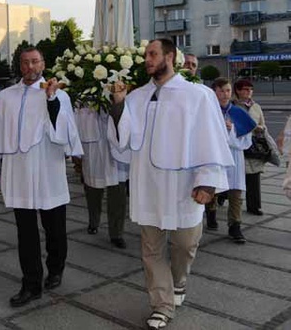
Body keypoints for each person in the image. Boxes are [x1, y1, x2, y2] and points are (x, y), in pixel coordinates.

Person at [108, 39, 232, 329]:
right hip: (148, 186)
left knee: (185, 245)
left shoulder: (197, 95)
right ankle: (161, 306)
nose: (147, 59)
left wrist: (208, 183)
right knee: (151, 250)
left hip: (184, 186)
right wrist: (118, 106)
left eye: (153, 54)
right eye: (145, 55)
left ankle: (179, 282)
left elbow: (212, 138)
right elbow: (122, 141)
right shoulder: (137, 97)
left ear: (170, 57)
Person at [0, 48, 83, 307]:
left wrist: (51, 100)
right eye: (25, 62)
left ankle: (56, 268)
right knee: (25, 233)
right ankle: (31, 283)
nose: (29, 67)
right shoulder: (7, 97)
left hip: (47, 171)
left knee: (55, 230)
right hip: (18, 172)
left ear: (43, 63)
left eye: (34, 61)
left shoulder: (59, 95)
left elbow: (64, 131)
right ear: (20, 66)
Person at [205, 78, 255, 243]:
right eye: (220, 91)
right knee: (211, 187)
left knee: (235, 192)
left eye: (227, 90)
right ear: (214, 93)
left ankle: (235, 226)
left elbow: (247, 141)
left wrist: (232, 129)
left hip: (234, 156)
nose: (224, 94)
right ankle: (211, 214)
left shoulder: (239, 112)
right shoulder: (208, 112)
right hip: (214, 156)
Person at [74, 105, 128, 248]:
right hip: (92, 149)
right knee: (92, 190)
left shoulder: (121, 93)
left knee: (117, 194)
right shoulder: (81, 97)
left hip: (115, 151)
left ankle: (116, 233)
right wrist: (76, 153)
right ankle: (93, 221)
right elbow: (75, 121)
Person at [233, 79, 267, 215]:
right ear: (238, 91)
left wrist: (261, 128)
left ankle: (254, 206)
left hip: (254, 146)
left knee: (254, 176)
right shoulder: (233, 106)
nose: (249, 92)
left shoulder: (256, 106)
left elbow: (263, 124)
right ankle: (223, 196)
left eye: (251, 89)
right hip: (238, 146)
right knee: (235, 177)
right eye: (246, 89)